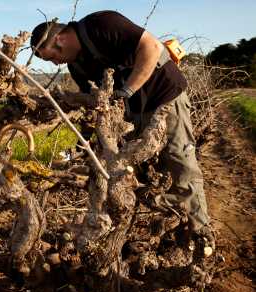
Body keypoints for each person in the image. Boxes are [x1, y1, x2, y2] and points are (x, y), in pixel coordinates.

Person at [30, 11, 213, 245]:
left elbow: (152, 47)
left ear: (60, 39)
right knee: (124, 174)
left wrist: (126, 91)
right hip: (133, 113)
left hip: (165, 96)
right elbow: (95, 107)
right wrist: (82, 145)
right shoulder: (76, 66)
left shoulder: (102, 24)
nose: (55, 63)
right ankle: (129, 235)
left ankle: (200, 237)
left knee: (180, 162)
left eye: (51, 57)